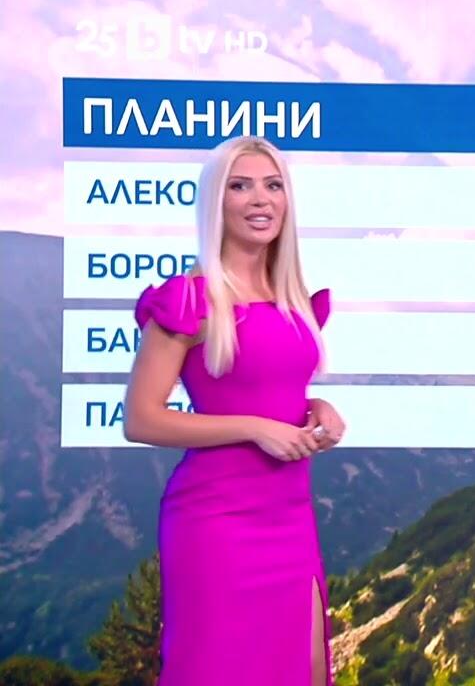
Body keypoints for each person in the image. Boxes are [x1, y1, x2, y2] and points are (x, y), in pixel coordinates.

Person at [123, 135, 346, 686]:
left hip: (290, 514)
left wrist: (316, 407)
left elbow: (269, 386)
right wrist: (255, 429)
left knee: (306, 669)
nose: (260, 199)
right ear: (216, 202)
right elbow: (141, 418)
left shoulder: (292, 300)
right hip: (216, 523)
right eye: (240, 186)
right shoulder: (190, 298)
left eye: (273, 185)